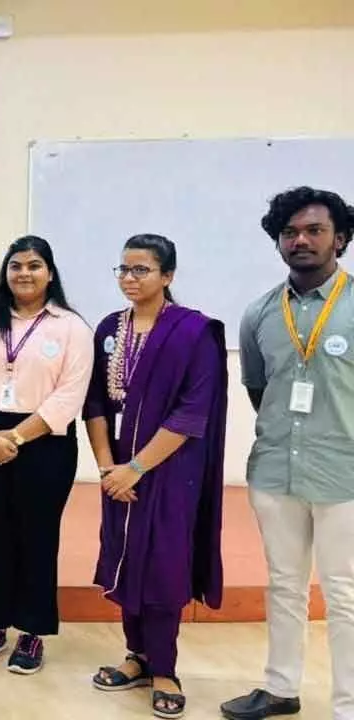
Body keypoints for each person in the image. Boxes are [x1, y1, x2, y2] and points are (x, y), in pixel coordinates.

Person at [81, 234, 227, 719]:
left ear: (168, 276)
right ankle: (137, 656)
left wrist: (137, 467)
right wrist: (107, 467)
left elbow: (192, 412)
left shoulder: (194, 332)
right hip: (117, 468)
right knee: (124, 555)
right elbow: (96, 404)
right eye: (122, 269)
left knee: (163, 563)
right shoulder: (108, 328)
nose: (129, 278)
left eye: (141, 270)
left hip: (169, 470)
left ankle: (164, 666)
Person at [222, 187, 354, 720]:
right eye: (289, 232)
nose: (300, 240)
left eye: (314, 230)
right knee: (283, 585)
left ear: (340, 240)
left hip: (346, 474)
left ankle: (348, 703)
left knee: (344, 594)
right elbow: (259, 389)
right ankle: (280, 688)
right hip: (276, 470)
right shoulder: (259, 313)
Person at [0, 235, 93, 674]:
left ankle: (31, 632)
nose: (24, 274)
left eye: (34, 265)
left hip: (44, 442)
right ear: (5, 273)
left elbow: (69, 397)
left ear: (50, 272)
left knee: (37, 537)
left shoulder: (71, 327)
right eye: (16, 266)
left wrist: (12, 438)